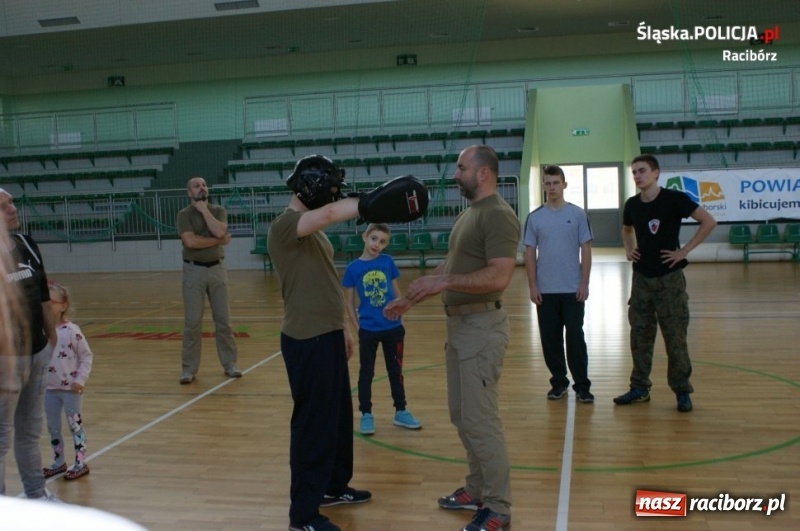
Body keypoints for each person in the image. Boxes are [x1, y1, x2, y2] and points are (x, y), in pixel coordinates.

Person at [384, 145, 518, 531]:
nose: (455, 174)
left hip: (481, 330)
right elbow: (454, 264)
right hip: (459, 328)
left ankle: (498, 508)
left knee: (481, 420)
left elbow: (499, 277)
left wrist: (441, 281)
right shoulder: (471, 214)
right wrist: (410, 298)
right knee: (463, 416)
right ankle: (476, 490)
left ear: (483, 173)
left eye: (461, 167)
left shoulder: (498, 217)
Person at [268, 155, 372, 531]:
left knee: (338, 420)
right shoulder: (284, 226)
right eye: (328, 193)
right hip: (305, 338)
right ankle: (303, 515)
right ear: (310, 188)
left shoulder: (311, 232)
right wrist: (366, 203)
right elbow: (328, 215)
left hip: (326, 333)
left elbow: (325, 279)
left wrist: (343, 327)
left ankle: (333, 485)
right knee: (313, 426)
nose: (331, 200)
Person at [613, 154, 717, 413]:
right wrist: (629, 249)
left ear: (656, 173)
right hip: (641, 281)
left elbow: (708, 221)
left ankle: (682, 391)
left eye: (642, 171)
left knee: (675, 339)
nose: (637, 175)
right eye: (634, 172)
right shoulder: (632, 204)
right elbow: (627, 230)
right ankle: (639, 388)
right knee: (639, 337)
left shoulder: (674, 199)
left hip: (670, 280)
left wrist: (684, 251)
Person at [0, 188, 59, 501]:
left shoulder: (26, 244)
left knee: (29, 434)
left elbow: (44, 297)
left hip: (37, 353)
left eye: (11, 203)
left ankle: (36, 495)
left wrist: (51, 339)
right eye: (4, 205)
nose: (12, 209)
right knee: (1, 438)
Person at [342, 223, 422, 436]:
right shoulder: (352, 268)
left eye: (383, 241)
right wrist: (358, 328)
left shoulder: (387, 262)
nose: (377, 244)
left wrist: (401, 317)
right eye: (374, 238)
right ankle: (366, 414)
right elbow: (348, 303)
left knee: (395, 372)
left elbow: (397, 293)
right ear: (364, 237)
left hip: (393, 328)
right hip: (368, 330)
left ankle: (401, 411)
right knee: (366, 373)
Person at [523, 165, 594, 403]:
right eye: (547, 183)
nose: (552, 187)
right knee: (550, 339)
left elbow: (586, 250)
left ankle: (582, 386)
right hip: (546, 291)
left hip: (572, 290)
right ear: (543, 186)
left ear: (564, 184)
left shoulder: (577, 215)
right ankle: (559, 382)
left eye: (556, 182)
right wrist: (533, 286)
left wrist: (584, 283)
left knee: (575, 337)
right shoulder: (534, 218)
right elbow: (530, 253)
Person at [176, 176, 241, 384]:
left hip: (217, 269)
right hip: (193, 270)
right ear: (189, 193)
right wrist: (218, 241)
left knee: (223, 321)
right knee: (192, 323)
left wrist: (204, 210)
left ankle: (230, 364)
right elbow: (191, 241)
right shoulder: (184, 215)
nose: (201, 188)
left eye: (204, 185)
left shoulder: (218, 210)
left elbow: (220, 229)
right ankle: (188, 370)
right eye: (196, 186)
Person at [43, 280, 93, 481]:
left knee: (75, 425)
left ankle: (80, 462)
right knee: (53, 427)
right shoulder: (42, 331)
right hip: (49, 390)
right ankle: (59, 462)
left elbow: (87, 356)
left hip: (70, 390)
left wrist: (80, 380)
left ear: (63, 305)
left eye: (51, 302)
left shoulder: (71, 331)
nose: (46, 306)